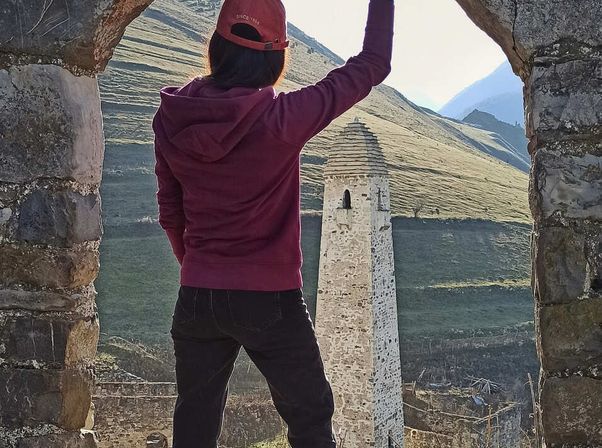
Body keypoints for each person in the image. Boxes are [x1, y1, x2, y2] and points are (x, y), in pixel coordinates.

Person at [152, 0, 395, 446]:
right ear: (276, 58)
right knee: (310, 416)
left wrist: (201, 267)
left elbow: (170, 209)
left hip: (198, 295)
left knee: (195, 420)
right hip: (269, 298)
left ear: (216, 46)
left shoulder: (171, 116)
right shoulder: (283, 119)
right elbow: (374, 63)